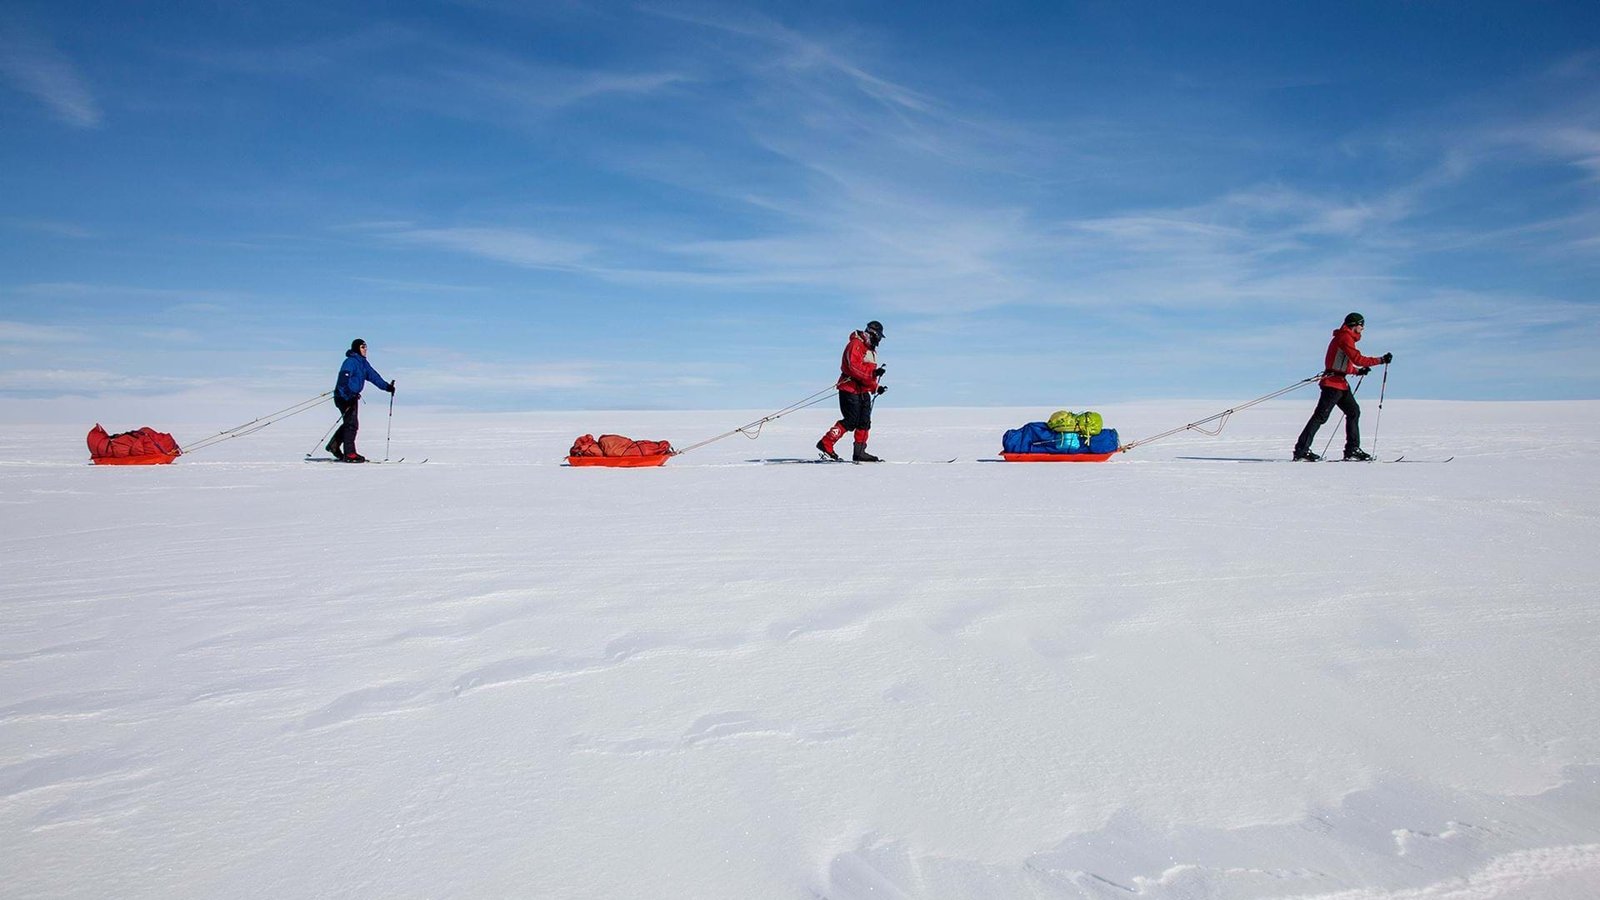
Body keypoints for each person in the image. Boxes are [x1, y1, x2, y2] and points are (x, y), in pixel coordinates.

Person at [1292, 313, 1392, 461]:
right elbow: (1357, 359)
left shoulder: (1345, 338)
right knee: (1321, 416)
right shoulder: (1345, 338)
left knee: (1353, 411)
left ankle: (1352, 450)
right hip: (1333, 385)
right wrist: (1381, 360)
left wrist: (1358, 372)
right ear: (1354, 325)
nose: (1363, 328)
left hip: (1340, 384)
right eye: (1361, 325)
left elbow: (1343, 364)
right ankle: (1301, 450)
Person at [817, 320, 887, 462]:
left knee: (864, 422)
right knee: (850, 421)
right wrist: (873, 374)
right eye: (879, 336)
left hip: (863, 391)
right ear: (873, 333)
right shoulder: (856, 344)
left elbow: (866, 373)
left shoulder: (871, 350)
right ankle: (826, 443)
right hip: (849, 389)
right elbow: (853, 368)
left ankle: (860, 452)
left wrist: (875, 387)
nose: (879, 340)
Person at [326, 338, 394, 462]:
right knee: (351, 425)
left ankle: (334, 445)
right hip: (343, 397)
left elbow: (373, 376)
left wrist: (387, 387)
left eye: (366, 347)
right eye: (363, 347)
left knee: (350, 424)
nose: (365, 349)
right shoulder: (350, 362)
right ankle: (350, 454)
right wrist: (347, 395)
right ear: (357, 348)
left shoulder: (363, 363)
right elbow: (343, 380)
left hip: (351, 397)